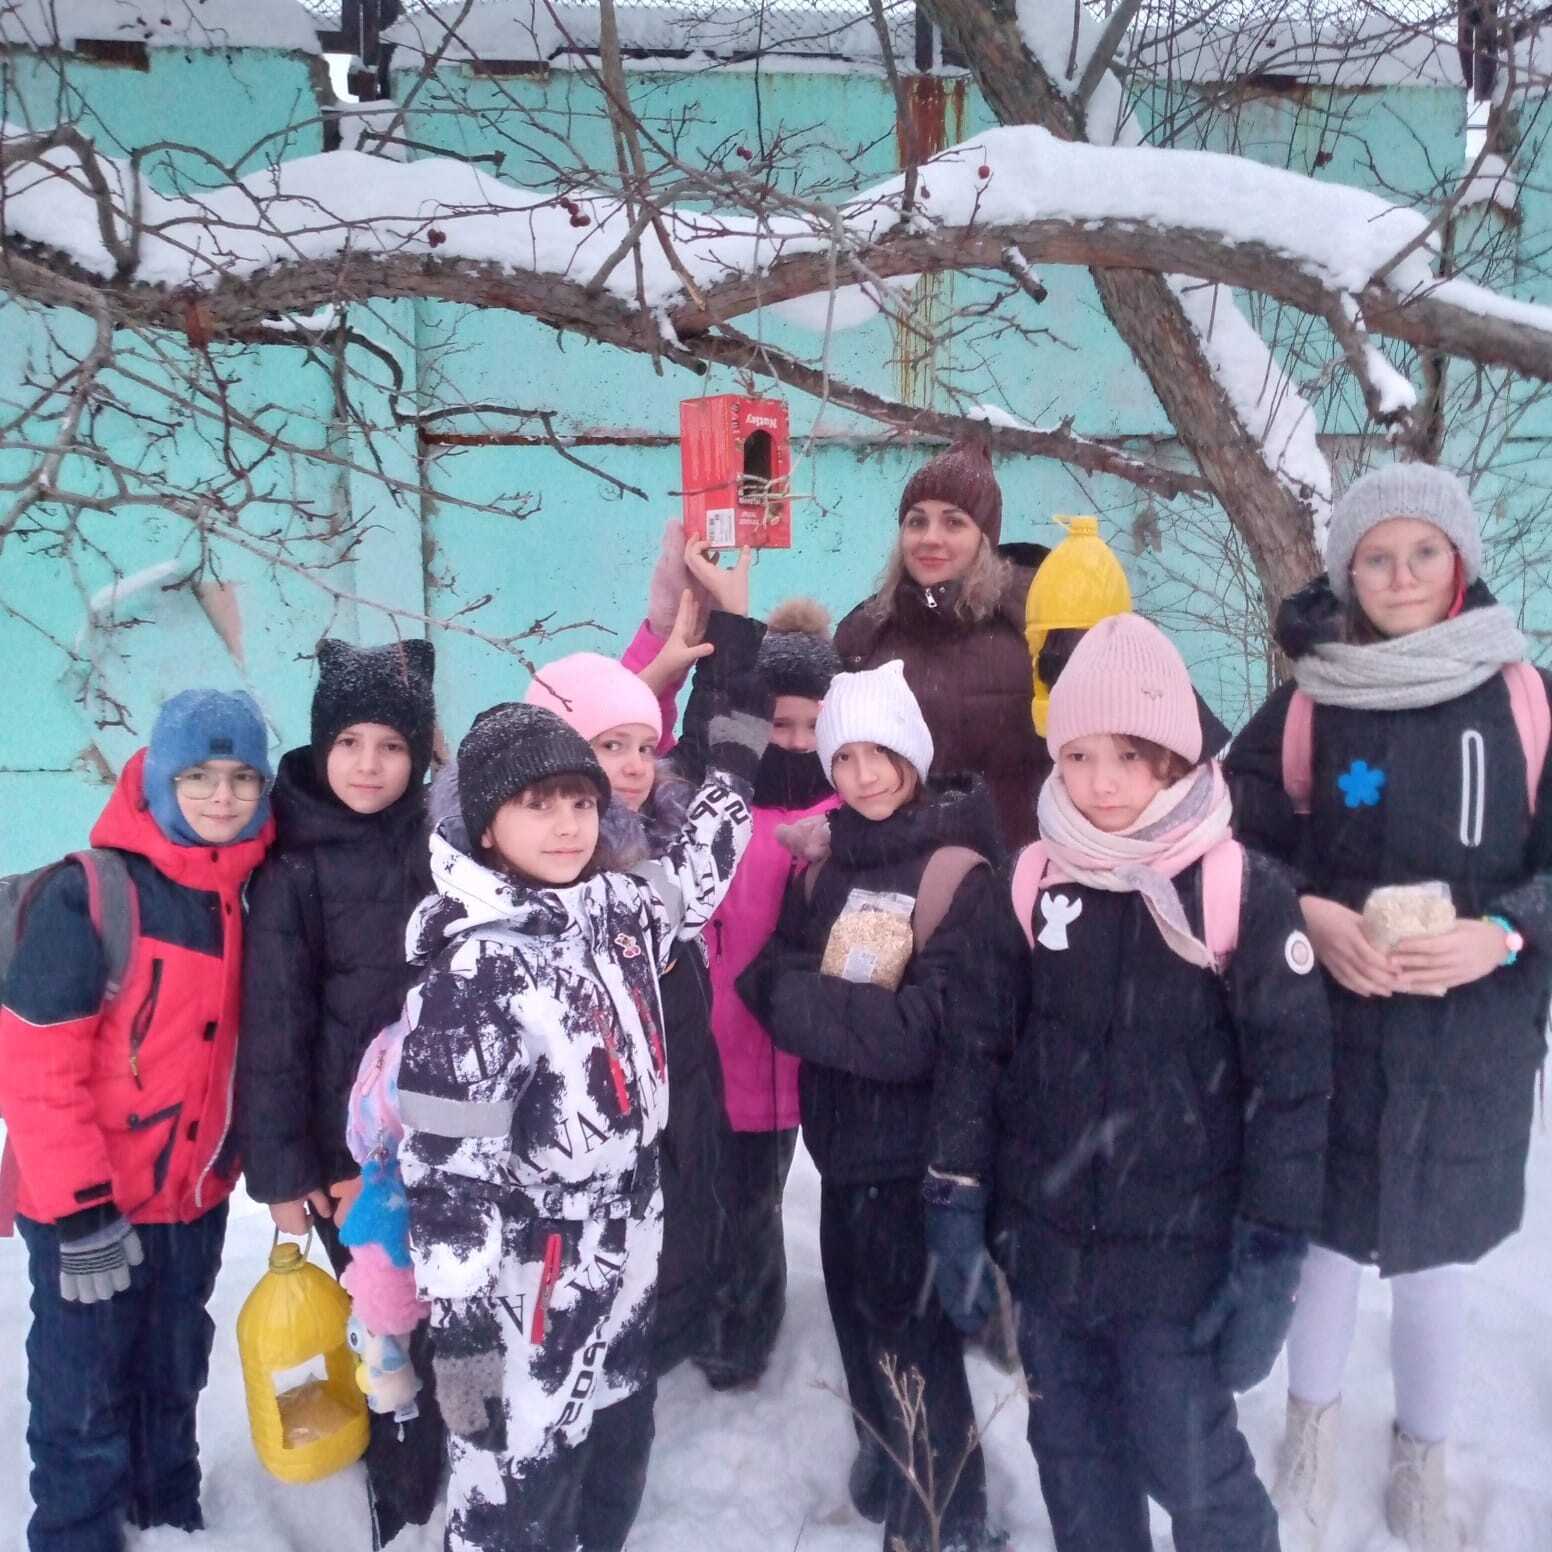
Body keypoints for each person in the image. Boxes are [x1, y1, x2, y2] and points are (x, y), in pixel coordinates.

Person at [929, 613, 1330, 1552]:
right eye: (1078, 756)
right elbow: (975, 1051)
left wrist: (1270, 1255)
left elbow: (1293, 1090)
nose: (1101, 783)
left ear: (1176, 759)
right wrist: (955, 1197)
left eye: (1129, 756)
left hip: (1179, 1269)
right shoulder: (1030, 882)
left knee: (1195, 1471)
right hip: (1048, 1260)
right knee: (1076, 1469)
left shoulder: (1237, 890)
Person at [1224, 463, 1552, 1552]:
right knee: (1322, 1244)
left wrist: (1503, 932)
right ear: (1346, 574)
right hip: (1334, 1024)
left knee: (1432, 1258)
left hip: (1472, 1037)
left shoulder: (1522, 696)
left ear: (1458, 564)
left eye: (1422, 553)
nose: (1401, 575)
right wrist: (1309, 914)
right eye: (1376, 557)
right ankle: (1308, 1435)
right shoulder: (1311, 702)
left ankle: (1423, 1454)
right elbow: (1233, 843)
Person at [397, 683, 763, 1552]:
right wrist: (462, 1339)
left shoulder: (617, 912)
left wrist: (740, 741)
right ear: (488, 827)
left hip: (626, 1240)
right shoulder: (475, 973)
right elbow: (448, 1179)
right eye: (538, 805)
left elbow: (701, 866)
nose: (567, 825)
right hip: (533, 1272)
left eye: (580, 802)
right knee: (517, 1490)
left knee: (615, 1450)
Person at [738, 661, 1015, 1552]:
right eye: (844, 757)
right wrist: (847, 1013)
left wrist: (816, 1011)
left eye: (880, 754)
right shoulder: (823, 867)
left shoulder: (956, 874)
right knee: (858, 1323)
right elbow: (765, 978)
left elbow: (924, 1034)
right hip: (839, 1150)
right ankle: (882, 1457)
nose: (862, 776)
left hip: (915, 1157)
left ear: (914, 756)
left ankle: (944, 1518)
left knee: (915, 1346)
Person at [0, 689, 274, 1552]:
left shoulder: (251, 894)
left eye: (243, 777)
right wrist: (81, 1212)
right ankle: (78, 1536)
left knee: (172, 1378)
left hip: (190, 1204)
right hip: (89, 1208)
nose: (223, 796)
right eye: (199, 775)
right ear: (158, 778)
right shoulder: (91, 895)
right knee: (83, 1398)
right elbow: (36, 1068)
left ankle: (172, 1522)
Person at [234, 636, 442, 1548]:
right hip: (348, 1158)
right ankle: (402, 1482)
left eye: (392, 746)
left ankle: (456, 1451)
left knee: (452, 1311)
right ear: (321, 747)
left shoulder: (442, 841)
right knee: (384, 1322)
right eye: (350, 742)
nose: (368, 764)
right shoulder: (294, 868)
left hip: (445, 1135)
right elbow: (275, 1033)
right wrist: (294, 1169)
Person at [833, 442, 1048, 849]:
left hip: (1020, 864)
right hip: (900, 867)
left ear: (984, 538)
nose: (930, 538)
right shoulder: (865, 632)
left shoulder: (1036, 621)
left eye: (953, 523)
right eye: (917, 522)